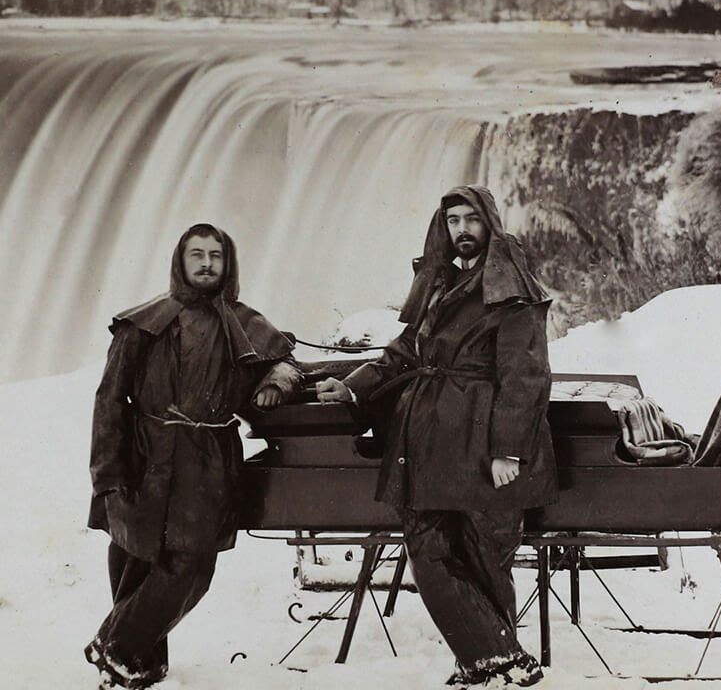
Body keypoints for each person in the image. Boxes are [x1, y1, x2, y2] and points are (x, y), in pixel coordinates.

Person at [316, 186, 557, 689]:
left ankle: (487, 664)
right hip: (426, 441)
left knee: (486, 558)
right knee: (427, 547)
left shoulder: (513, 290)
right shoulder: (437, 284)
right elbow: (402, 353)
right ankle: (497, 658)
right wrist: (352, 386)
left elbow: (526, 378)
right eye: (453, 221)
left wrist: (506, 450)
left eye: (471, 219)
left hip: (482, 443)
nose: (462, 230)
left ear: (489, 223)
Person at [85, 223, 301, 689]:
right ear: (180, 262)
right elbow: (108, 403)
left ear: (229, 263)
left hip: (208, 460)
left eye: (215, 256)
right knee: (134, 556)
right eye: (196, 254)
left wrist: (274, 383)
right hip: (145, 455)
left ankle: (115, 646)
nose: (206, 263)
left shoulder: (244, 323)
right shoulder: (143, 324)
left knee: (193, 565)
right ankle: (141, 663)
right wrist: (107, 475)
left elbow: (286, 361)